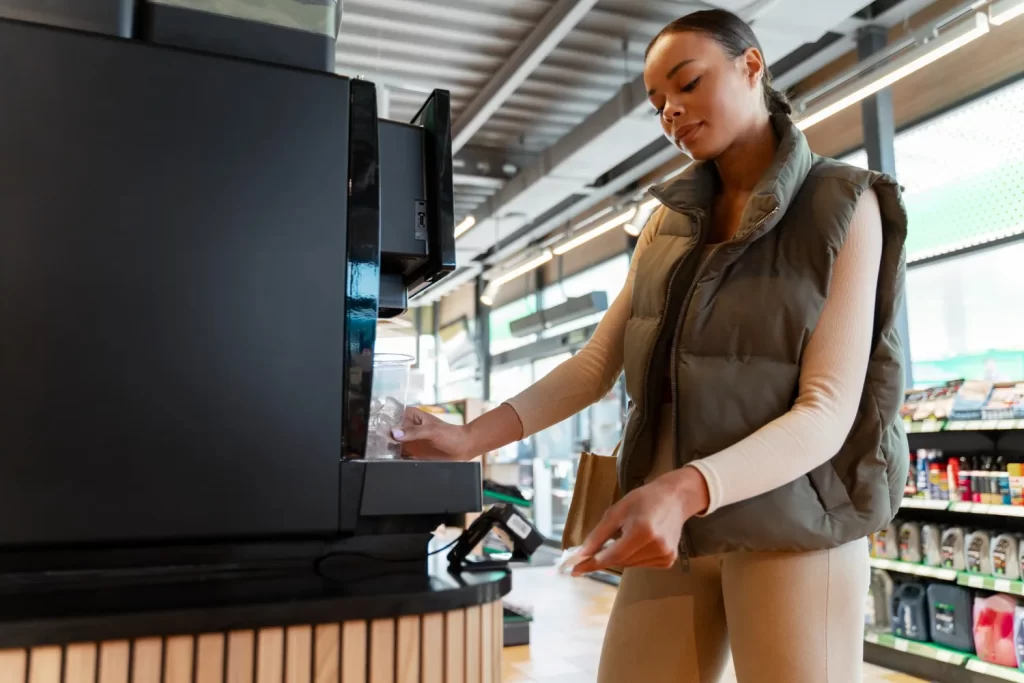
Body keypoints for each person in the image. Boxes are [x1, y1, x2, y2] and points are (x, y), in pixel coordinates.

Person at [394, 8, 909, 683]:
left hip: (795, 524)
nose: (671, 110)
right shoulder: (670, 221)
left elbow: (828, 409)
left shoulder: (843, 204)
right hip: (672, 527)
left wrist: (687, 488)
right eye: (657, 101)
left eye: (688, 83)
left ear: (751, 66)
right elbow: (594, 365)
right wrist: (469, 438)